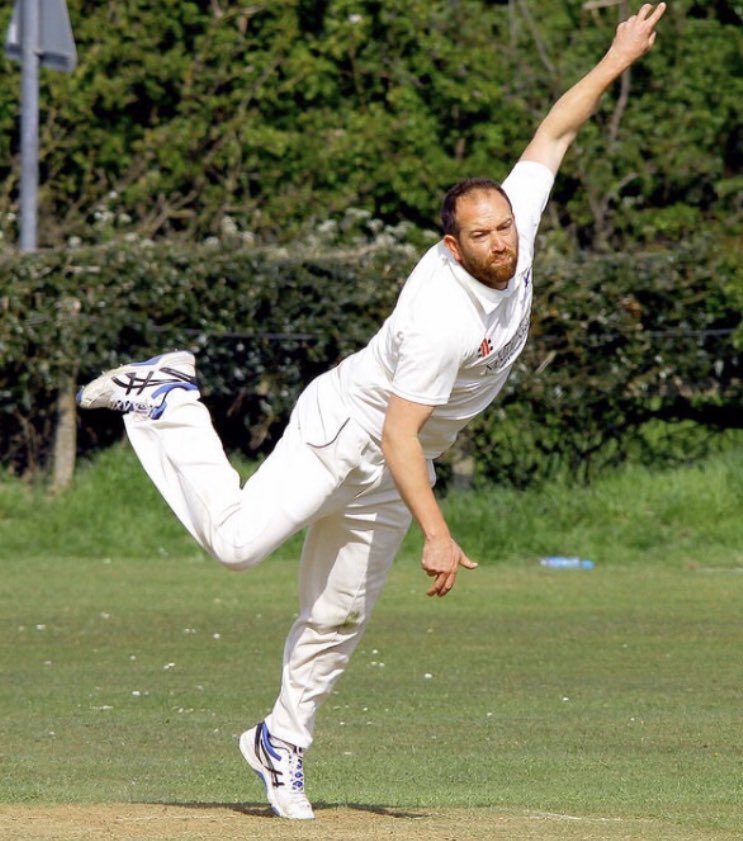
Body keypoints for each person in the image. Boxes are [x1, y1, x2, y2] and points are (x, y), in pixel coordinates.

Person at [77, 3, 666, 821]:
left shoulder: (514, 226)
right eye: (483, 234)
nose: (503, 242)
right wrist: (436, 530)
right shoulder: (441, 317)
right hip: (348, 435)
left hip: (399, 460)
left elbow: (553, 134)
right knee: (238, 546)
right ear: (451, 246)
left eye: (504, 226)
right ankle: (168, 397)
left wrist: (614, 57)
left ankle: (280, 742)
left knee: (338, 614)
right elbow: (396, 431)